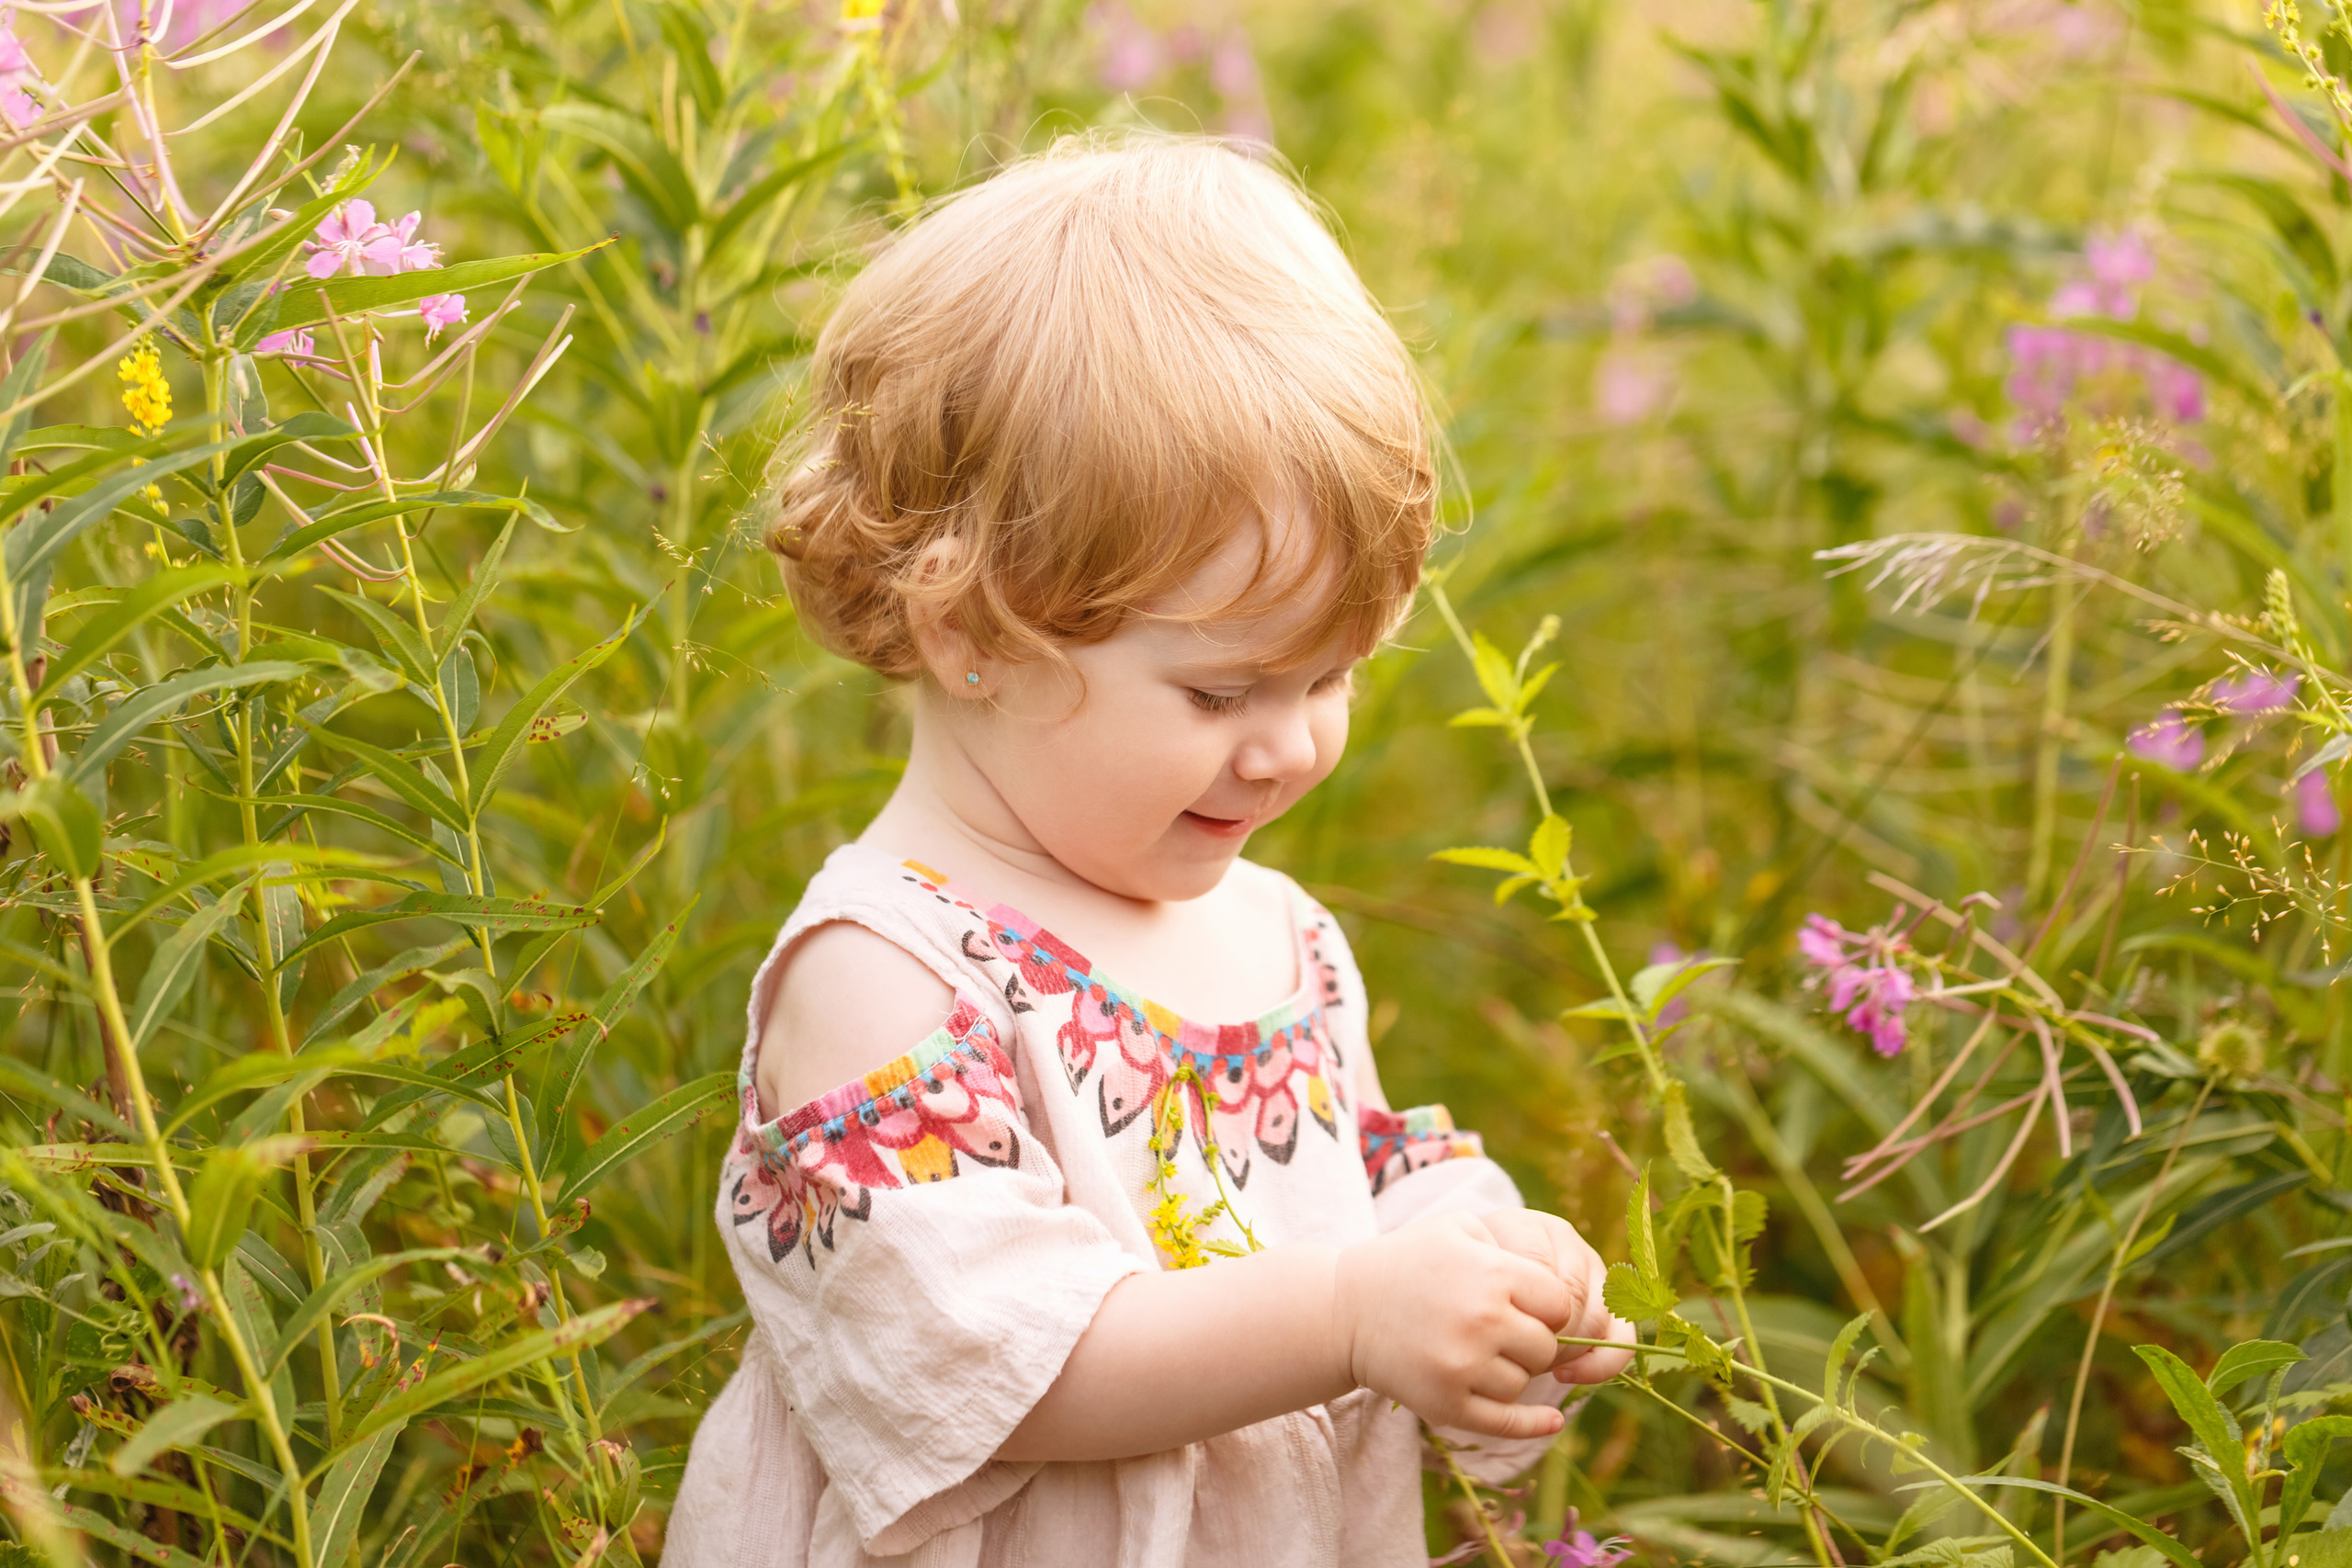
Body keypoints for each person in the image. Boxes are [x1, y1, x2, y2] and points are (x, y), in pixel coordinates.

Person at [667, 134, 1634, 1568]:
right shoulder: (887, 981)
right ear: (969, 630)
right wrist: (1359, 1314)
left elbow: (1342, 1193)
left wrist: (1476, 1257)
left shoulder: (1282, 933)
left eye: (1334, 676)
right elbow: (998, 1370)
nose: (1291, 746)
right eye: (1222, 692)